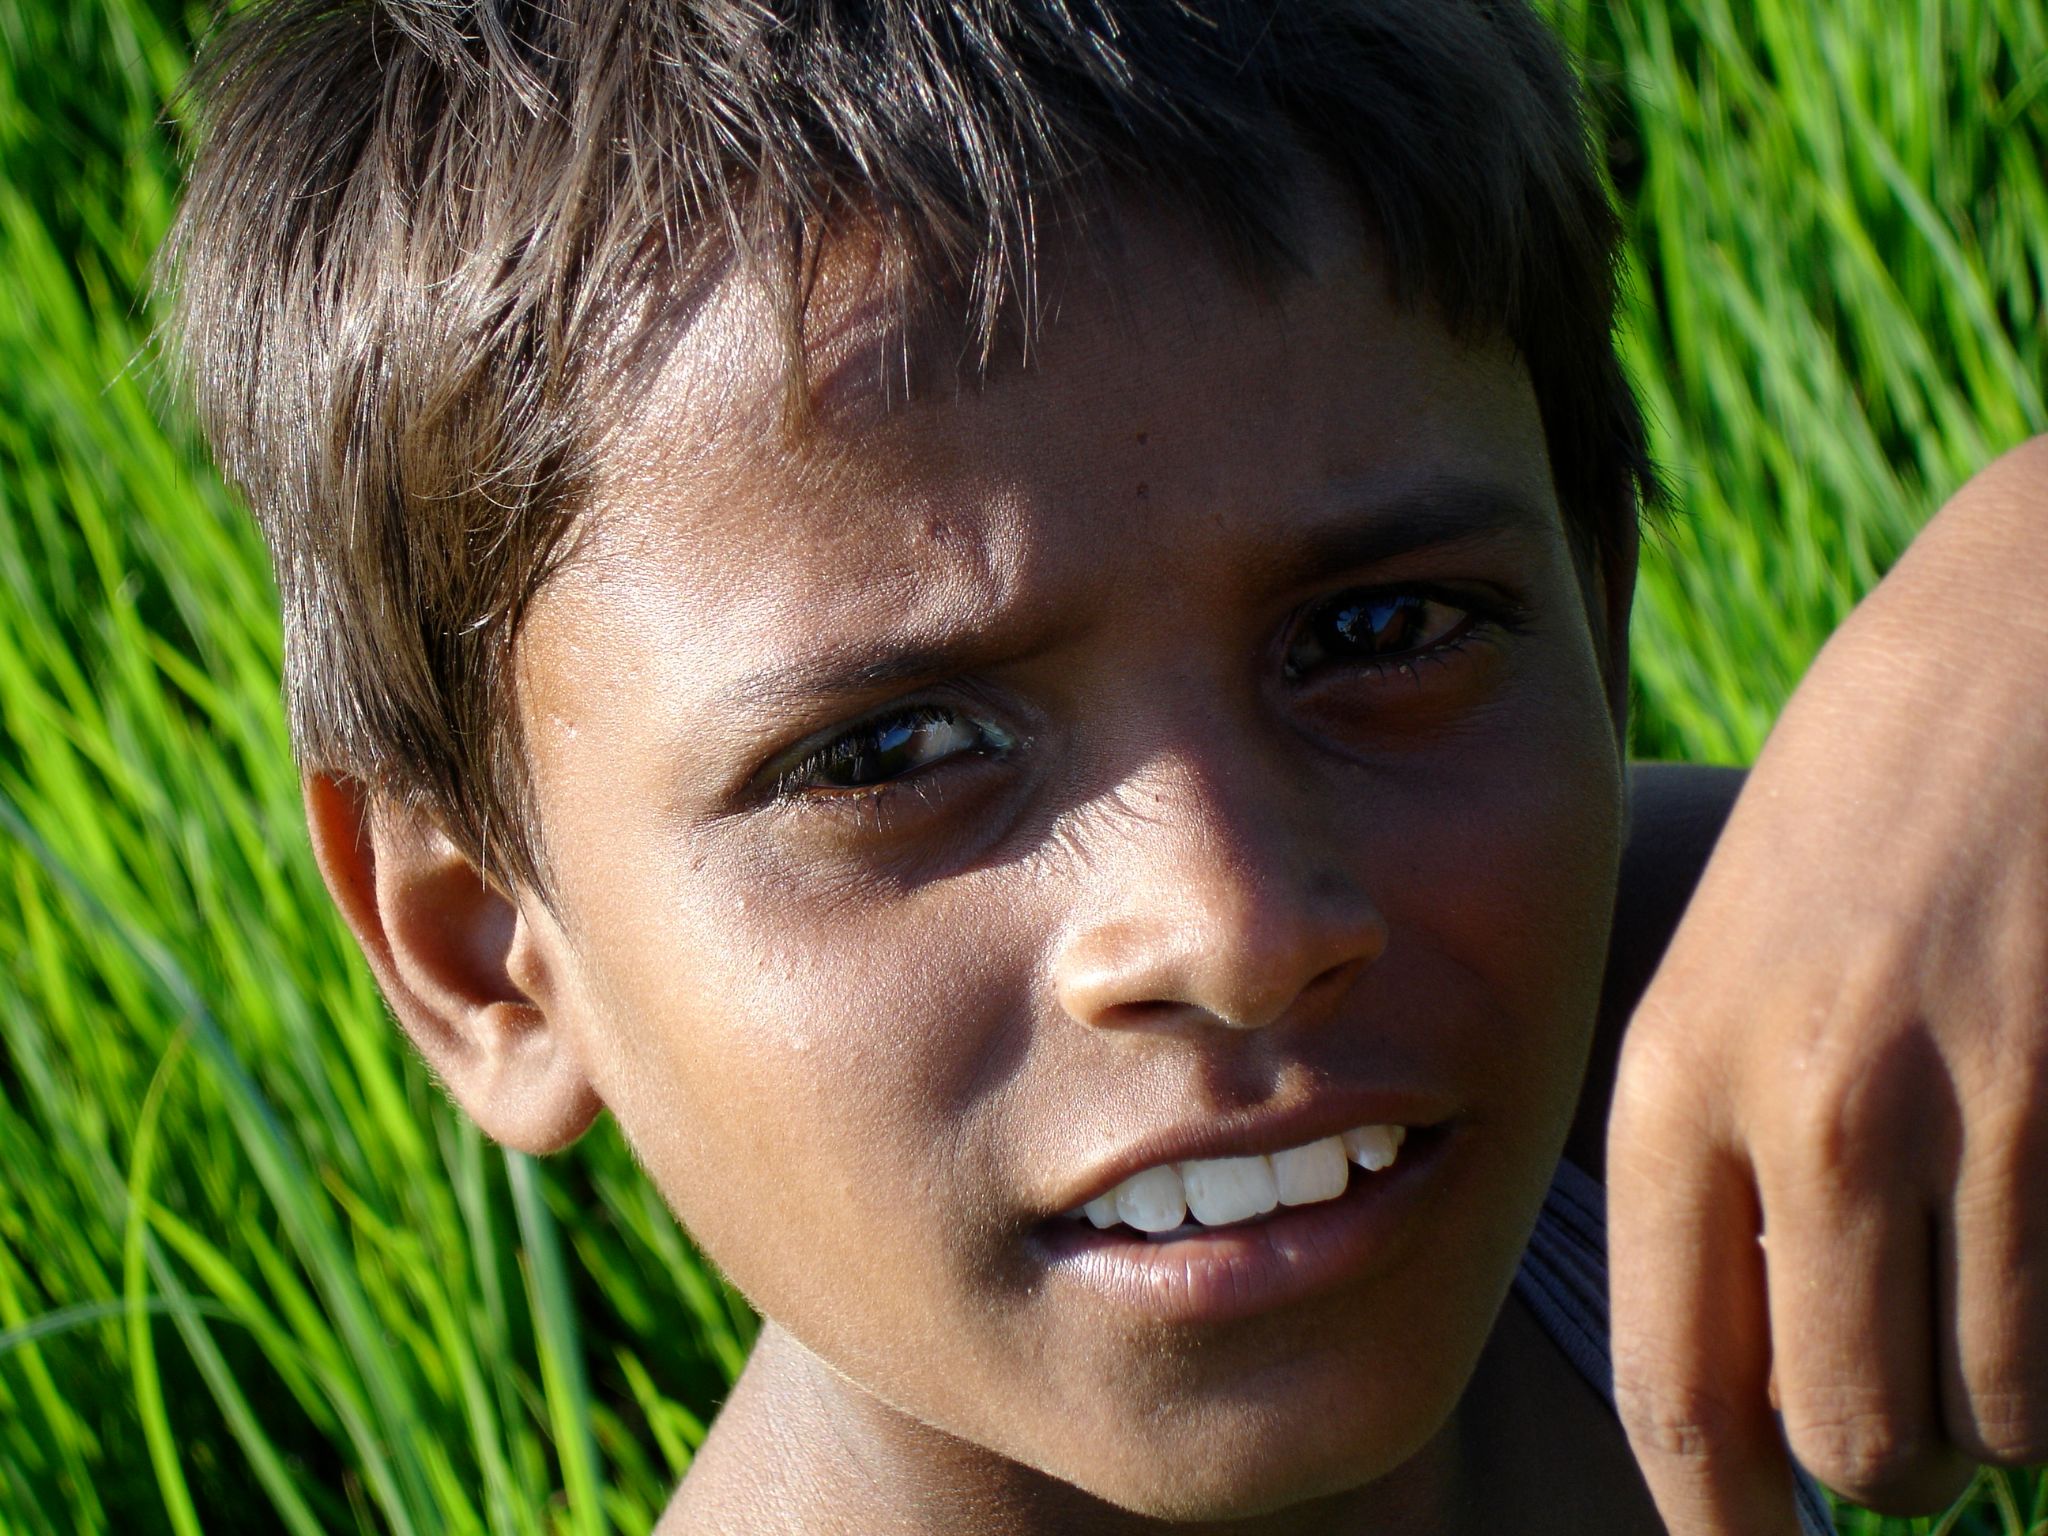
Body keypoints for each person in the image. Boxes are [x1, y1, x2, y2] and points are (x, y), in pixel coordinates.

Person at [162, 1, 2048, 1532]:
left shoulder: (1644, 1020)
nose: (1236, 924)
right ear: (483, 948)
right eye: (893, 750)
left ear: (1594, 610)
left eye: (1380, 631)